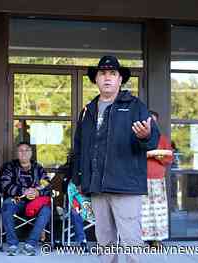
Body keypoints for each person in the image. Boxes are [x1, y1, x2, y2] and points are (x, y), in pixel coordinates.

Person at [72, 55, 159, 263]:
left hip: (125, 187)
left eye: (113, 73)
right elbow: (79, 148)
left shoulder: (135, 106)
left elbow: (153, 140)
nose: (107, 77)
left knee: (131, 241)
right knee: (104, 242)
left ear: (120, 79)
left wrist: (145, 136)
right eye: (103, 73)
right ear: (96, 79)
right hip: (97, 188)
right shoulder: (87, 111)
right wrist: (79, 180)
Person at [0, 142, 51, 256]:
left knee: (46, 210)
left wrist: (38, 192)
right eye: (21, 150)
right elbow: (5, 184)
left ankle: (30, 244)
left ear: (31, 153)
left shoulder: (38, 168)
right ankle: (13, 244)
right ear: (17, 153)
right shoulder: (10, 167)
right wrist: (24, 191)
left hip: (34, 202)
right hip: (17, 199)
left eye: (26, 150)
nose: (24, 153)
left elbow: (47, 185)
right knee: (7, 206)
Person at [141, 111, 173, 246]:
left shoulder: (163, 139)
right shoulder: (138, 138)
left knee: (157, 210)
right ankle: (140, 240)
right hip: (140, 180)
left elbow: (169, 159)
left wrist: (158, 156)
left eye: (154, 121)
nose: (151, 123)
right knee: (142, 210)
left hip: (158, 180)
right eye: (149, 120)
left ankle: (156, 240)